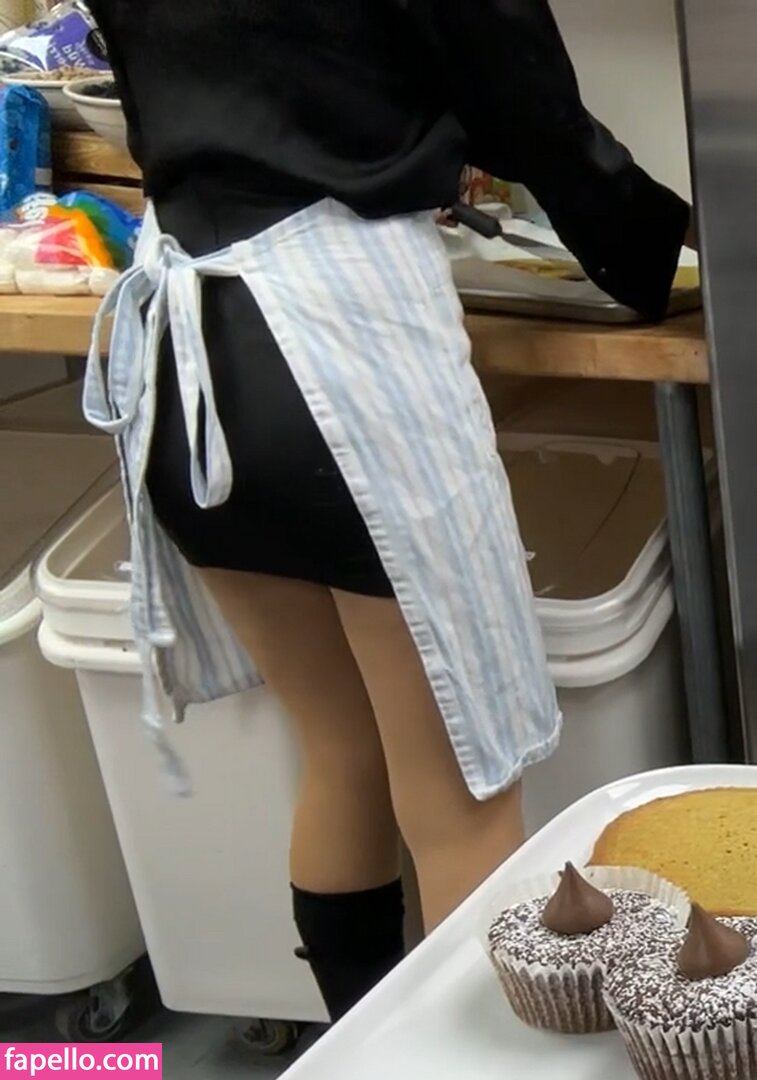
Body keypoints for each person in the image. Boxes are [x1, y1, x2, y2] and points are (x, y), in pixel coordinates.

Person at [84, 0, 691, 1023]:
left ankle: (358, 1052)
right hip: (338, 339)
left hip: (186, 347)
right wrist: (660, 250)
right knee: (461, 800)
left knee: (343, 754)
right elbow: (528, 108)